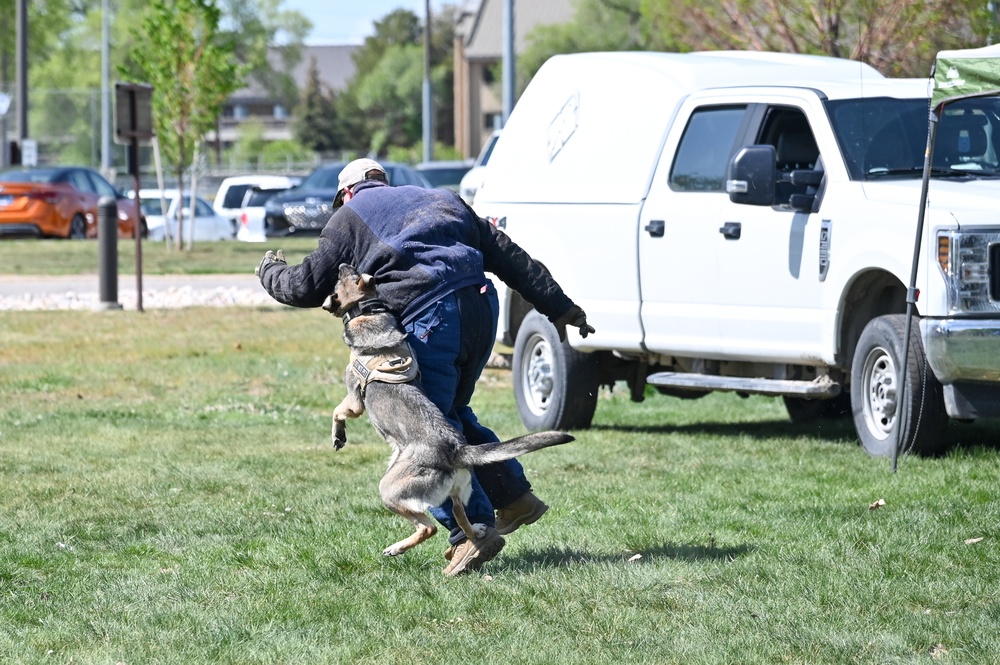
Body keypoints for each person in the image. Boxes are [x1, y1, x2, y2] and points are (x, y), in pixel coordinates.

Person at [256, 158, 594, 576]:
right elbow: (509, 256)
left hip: (430, 315)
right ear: (384, 181)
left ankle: (472, 533)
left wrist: (268, 270)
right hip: (480, 308)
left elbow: (305, 285)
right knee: (448, 417)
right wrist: (560, 307)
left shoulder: (348, 216)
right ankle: (515, 498)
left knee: (426, 432)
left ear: (346, 193)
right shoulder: (443, 199)